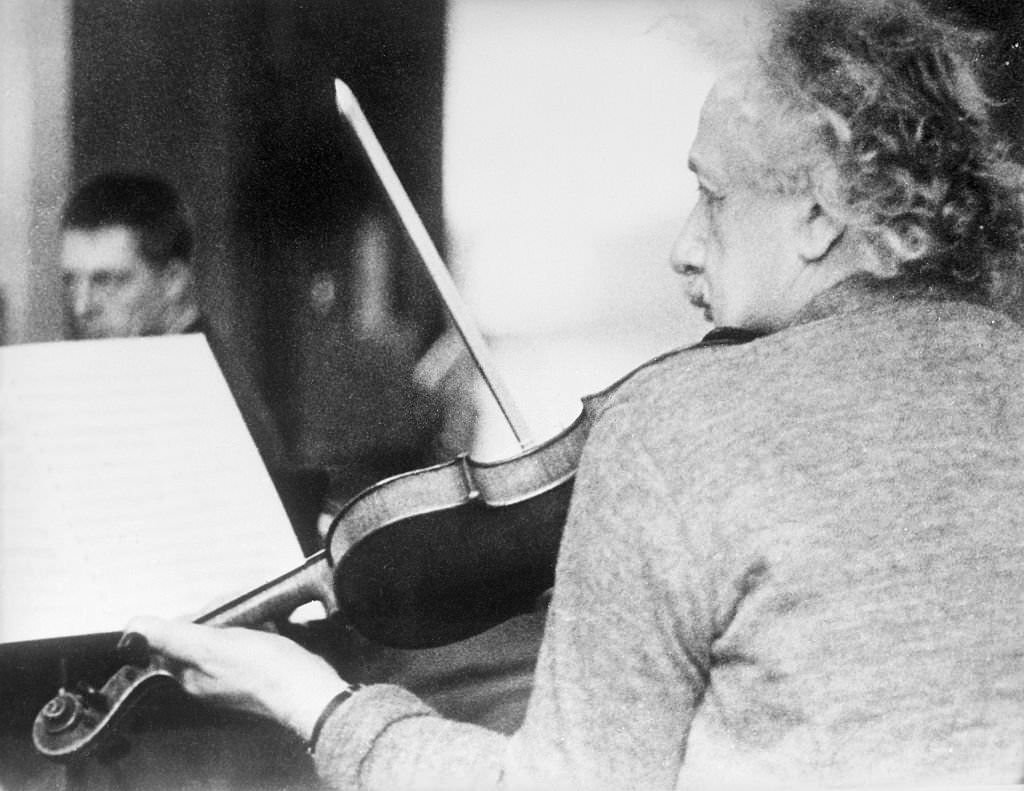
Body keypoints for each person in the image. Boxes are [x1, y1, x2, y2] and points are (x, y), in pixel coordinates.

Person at [124, 1, 1024, 788]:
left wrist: (315, 702)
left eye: (712, 197)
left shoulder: (681, 430)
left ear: (821, 213)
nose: (684, 247)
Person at [59, 171, 291, 472]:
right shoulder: (150, 367)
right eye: (71, 281)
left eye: (107, 281)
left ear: (173, 280)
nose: (81, 307)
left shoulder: (201, 391)